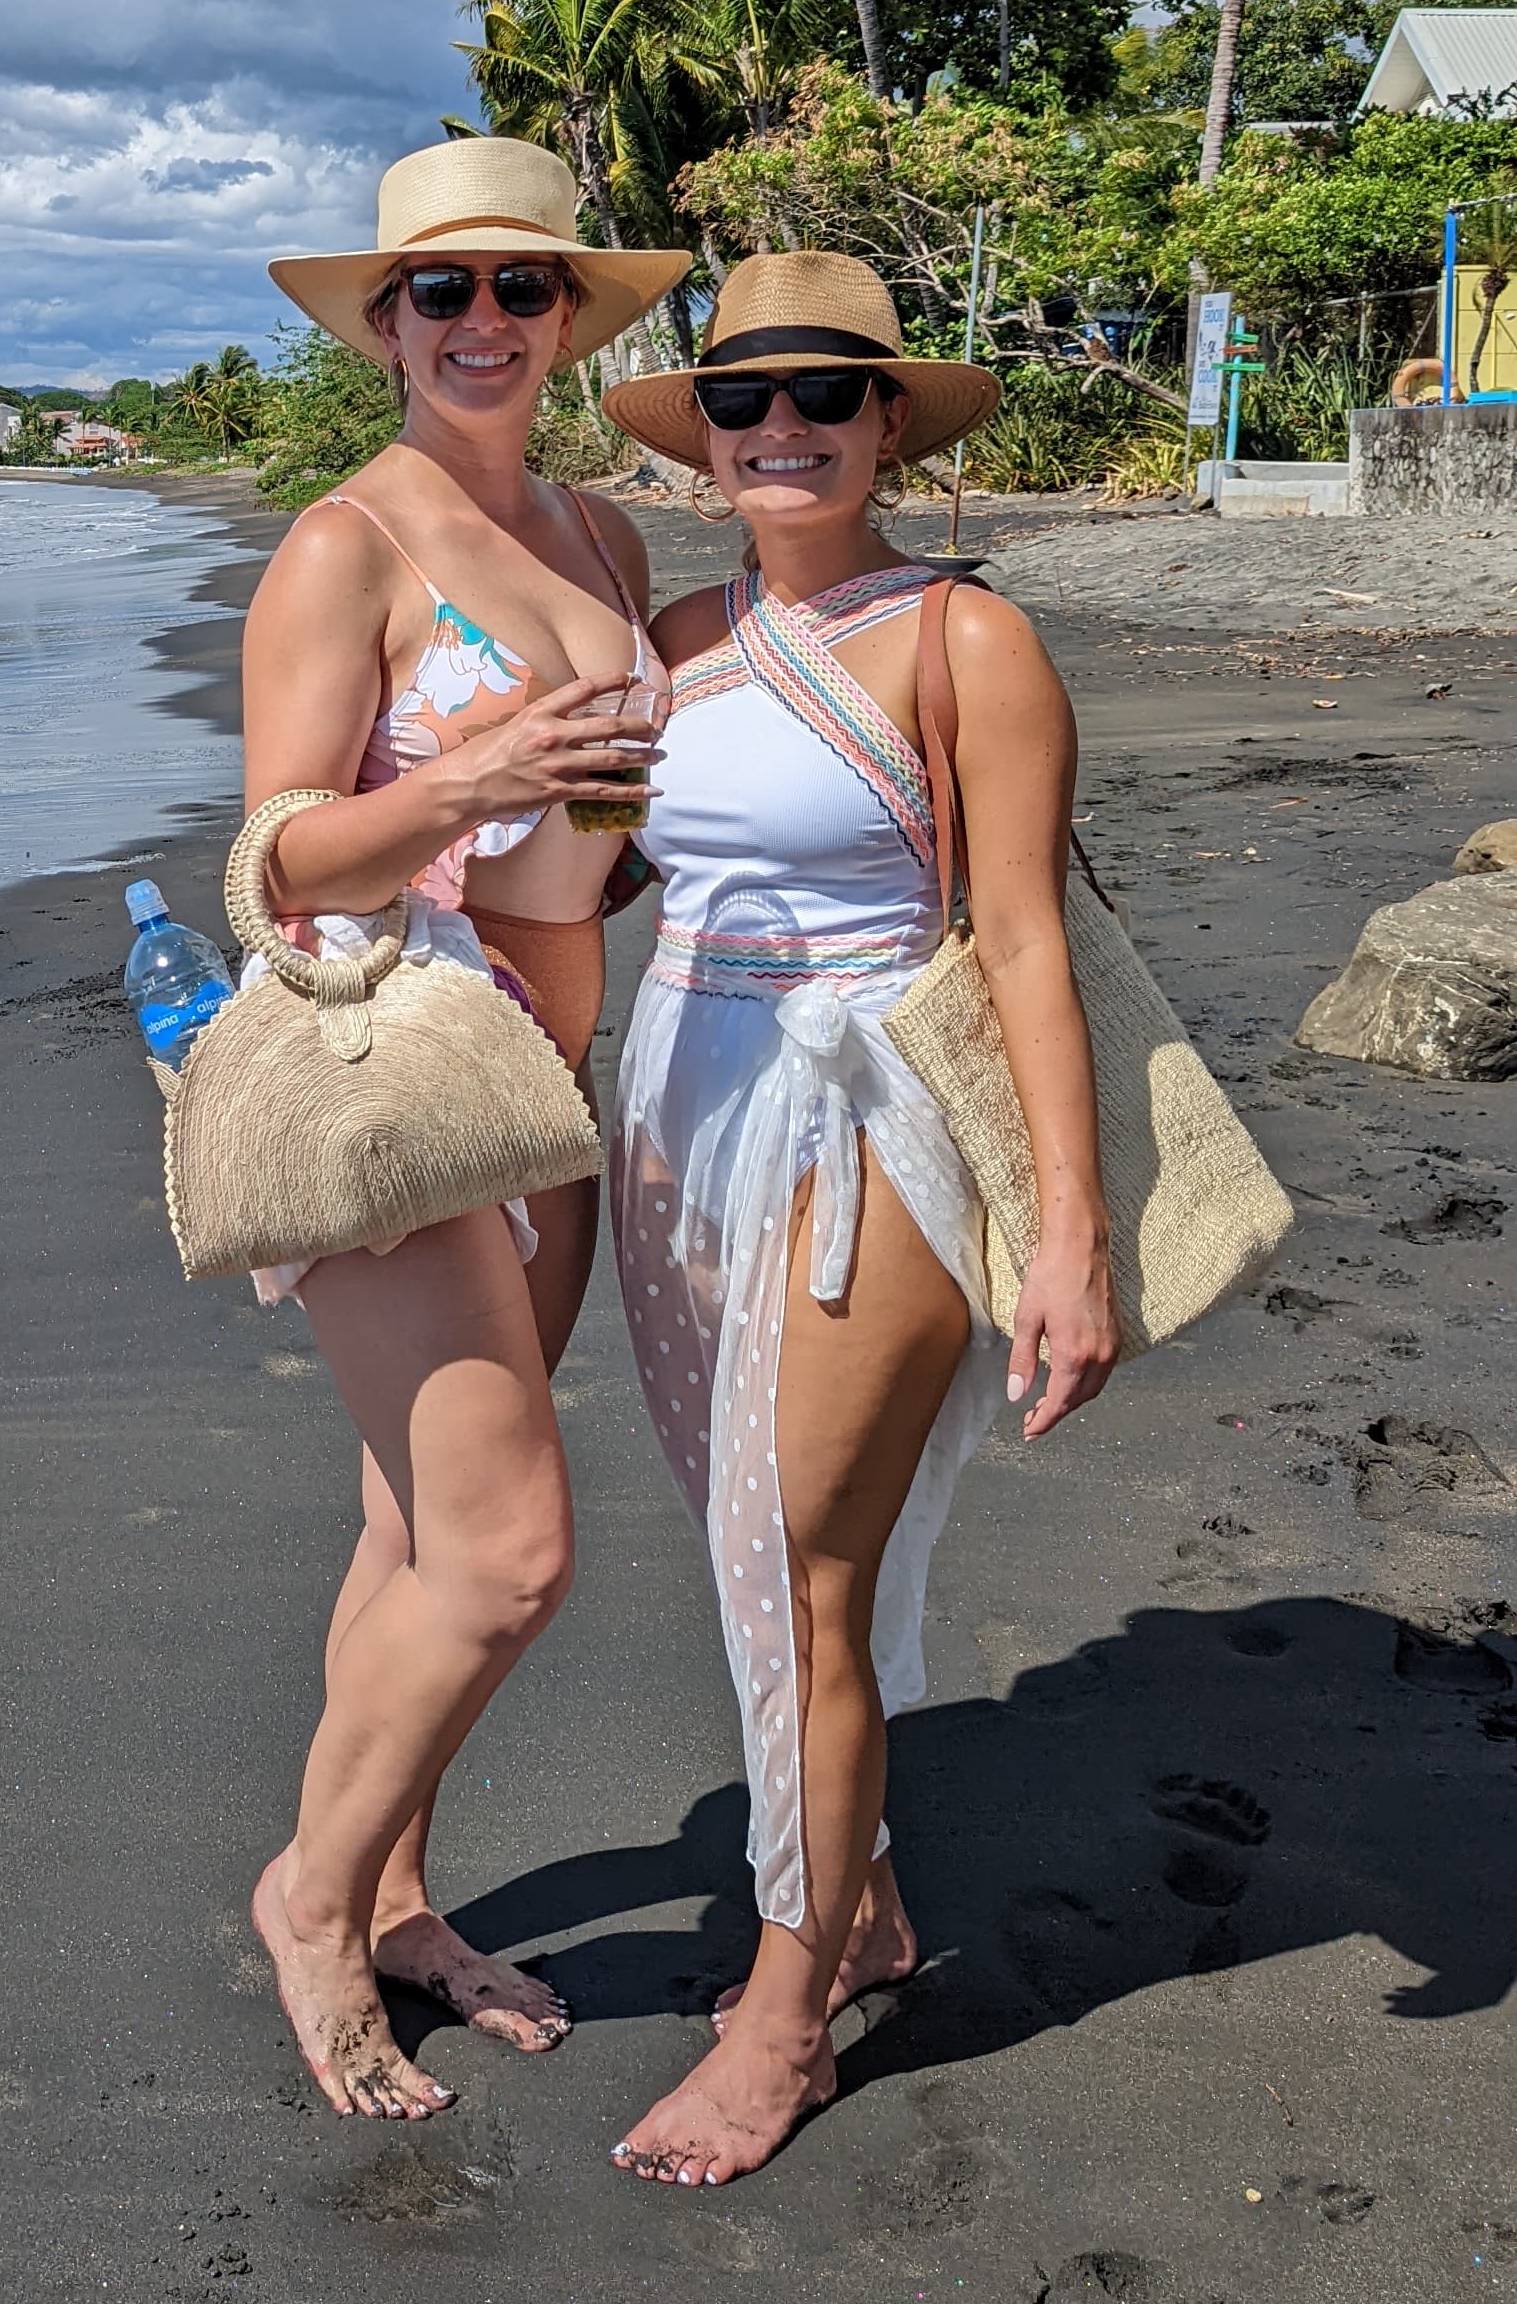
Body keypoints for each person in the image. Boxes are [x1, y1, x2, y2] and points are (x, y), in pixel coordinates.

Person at [596, 253, 1117, 2186]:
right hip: (678, 1105)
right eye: (743, 400)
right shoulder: (677, 636)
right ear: (703, 438)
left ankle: (783, 2017)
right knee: (739, 1537)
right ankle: (865, 1893)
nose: (783, 430)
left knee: (804, 1556)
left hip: (866, 1119)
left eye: (828, 394)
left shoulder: (965, 641)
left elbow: (1026, 944)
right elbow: (595, 874)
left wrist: (1067, 1236)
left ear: (891, 421)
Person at [240, 138, 691, 2117]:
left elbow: (611, 836)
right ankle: (313, 1904)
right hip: (400, 1078)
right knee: (507, 1560)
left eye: (525, 285)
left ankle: (400, 1893)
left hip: (550, 1093)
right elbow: (275, 863)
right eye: (443, 290)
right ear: (387, 323)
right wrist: (469, 781)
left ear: (570, 317)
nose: (485, 319)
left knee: (416, 1531)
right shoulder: (345, 546)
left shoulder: (602, 538)